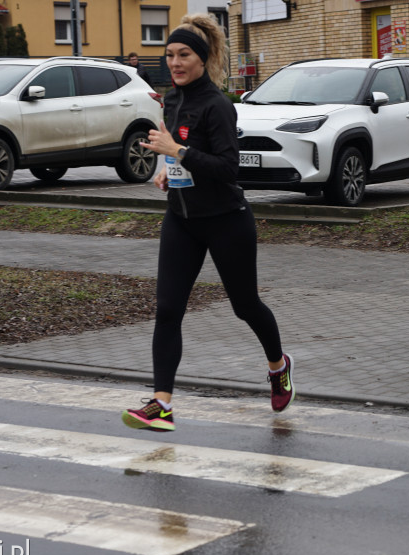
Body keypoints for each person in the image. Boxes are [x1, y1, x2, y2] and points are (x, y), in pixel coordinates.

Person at [121, 13, 294, 432]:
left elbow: (228, 168)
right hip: (182, 219)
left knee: (244, 305)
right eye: (169, 56)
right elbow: (177, 147)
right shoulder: (172, 98)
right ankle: (162, 403)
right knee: (167, 309)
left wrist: (177, 153)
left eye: (183, 55)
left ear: (201, 58)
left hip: (225, 221)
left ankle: (278, 365)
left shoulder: (218, 105)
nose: (175, 63)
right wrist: (166, 165)